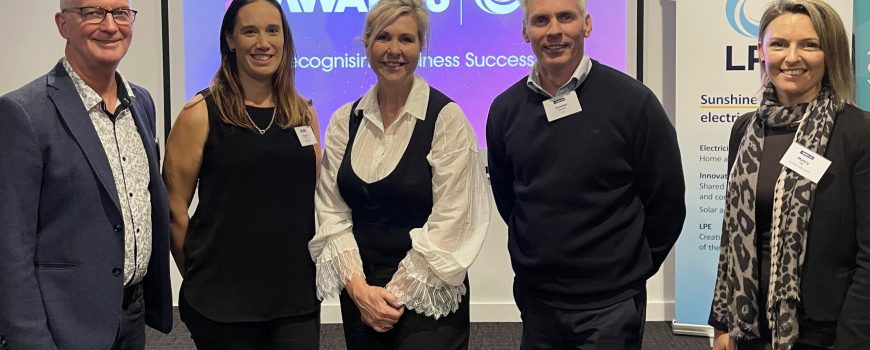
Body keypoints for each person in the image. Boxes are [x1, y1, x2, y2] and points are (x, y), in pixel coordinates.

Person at [486, 0, 686, 348]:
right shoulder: (505, 110)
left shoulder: (634, 103)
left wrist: (630, 270)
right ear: (525, 32)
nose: (553, 31)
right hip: (538, 298)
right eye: (540, 20)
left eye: (566, 17)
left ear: (587, 24)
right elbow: (509, 198)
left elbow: (666, 200)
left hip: (611, 305)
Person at [308, 0, 490, 348]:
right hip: (361, 293)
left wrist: (392, 296)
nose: (394, 50)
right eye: (383, 38)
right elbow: (332, 212)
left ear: (421, 45)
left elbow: (455, 220)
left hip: (426, 292)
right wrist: (361, 292)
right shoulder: (344, 121)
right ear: (367, 45)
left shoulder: (446, 119)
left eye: (406, 39)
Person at [0, 0, 172, 349]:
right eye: (93, 12)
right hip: (64, 325)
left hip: (131, 315)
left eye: (121, 13)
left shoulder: (141, 102)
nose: (110, 26)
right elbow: (10, 247)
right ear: (63, 24)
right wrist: (29, 340)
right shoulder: (24, 112)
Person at [709, 1, 870, 349]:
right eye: (779, 44)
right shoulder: (745, 130)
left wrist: (853, 340)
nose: (792, 57)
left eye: (809, 45)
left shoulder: (858, 132)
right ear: (761, 52)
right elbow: (732, 235)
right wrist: (722, 323)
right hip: (749, 326)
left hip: (824, 331)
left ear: (831, 54)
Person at [161, 0, 322, 348]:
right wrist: (200, 278)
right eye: (250, 31)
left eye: (272, 30)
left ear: (284, 39)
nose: (263, 43)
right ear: (231, 40)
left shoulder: (304, 115)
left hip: (295, 303)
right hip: (222, 307)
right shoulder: (200, 114)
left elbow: (310, 198)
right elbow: (173, 210)